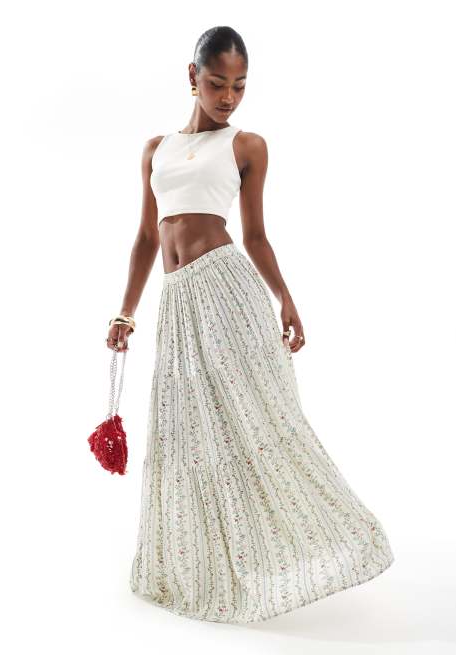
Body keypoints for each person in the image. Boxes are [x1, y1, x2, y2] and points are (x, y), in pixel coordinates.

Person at [106, 26, 394, 624]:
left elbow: (256, 235)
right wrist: (125, 311)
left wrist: (286, 298)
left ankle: (329, 540)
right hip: (179, 302)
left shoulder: (247, 146)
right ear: (192, 77)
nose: (228, 97)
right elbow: (145, 239)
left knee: (257, 420)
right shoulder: (156, 149)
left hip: (227, 291)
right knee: (187, 431)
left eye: (239, 86)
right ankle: (205, 565)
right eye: (217, 83)